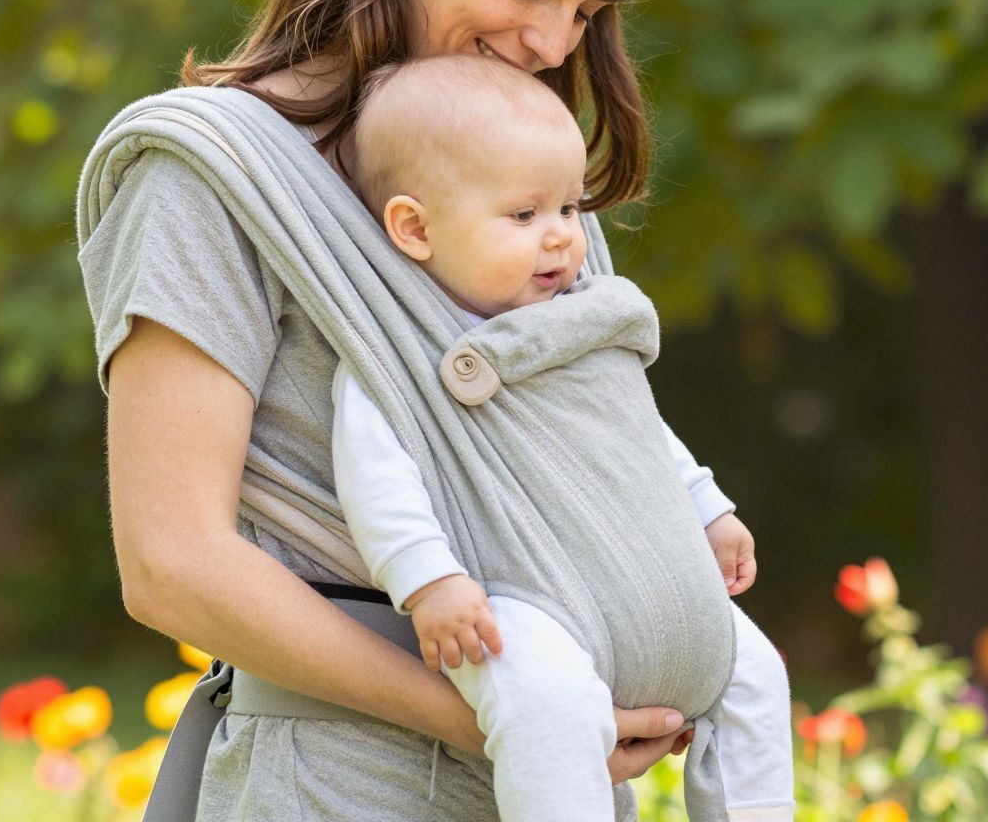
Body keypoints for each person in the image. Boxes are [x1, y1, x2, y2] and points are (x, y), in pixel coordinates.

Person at [80, 0, 707, 820]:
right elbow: (171, 562)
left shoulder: (533, 191)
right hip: (339, 783)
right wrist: (493, 717)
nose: (550, 43)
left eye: (589, 13)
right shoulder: (211, 175)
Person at [332, 54, 793, 821]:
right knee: (543, 700)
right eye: (523, 216)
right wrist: (428, 581)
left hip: (633, 575)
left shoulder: (581, 318)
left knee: (751, 674)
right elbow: (376, 478)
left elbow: (634, 432)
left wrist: (705, 509)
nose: (560, 240)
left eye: (570, 210)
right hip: (518, 592)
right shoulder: (395, 353)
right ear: (414, 228)